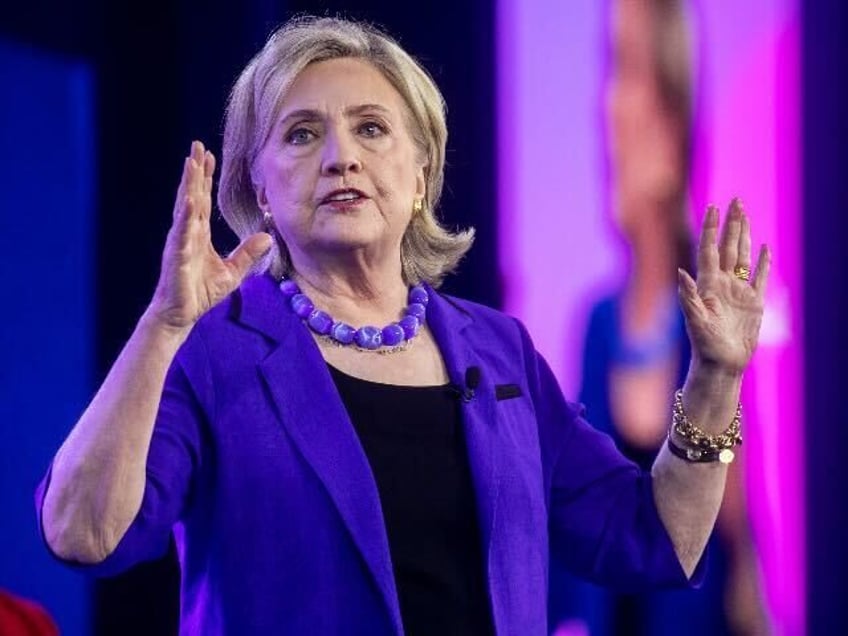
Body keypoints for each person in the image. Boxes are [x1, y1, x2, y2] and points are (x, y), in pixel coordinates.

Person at [35, 16, 771, 636]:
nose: (340, 157)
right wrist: (163, 327)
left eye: (371, 128)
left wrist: (715, 377)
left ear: (421, 176)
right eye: (300, 135)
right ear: (258, 185)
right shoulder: (215, 352)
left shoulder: (500, 353)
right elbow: (80, 532)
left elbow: (655, 539)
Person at [550, 2, 771, 635]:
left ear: (676, 117)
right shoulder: (594, 324)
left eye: (629, 71)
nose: (607, 109)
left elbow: (734, 520)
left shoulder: (711, 324)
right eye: (608, 72)